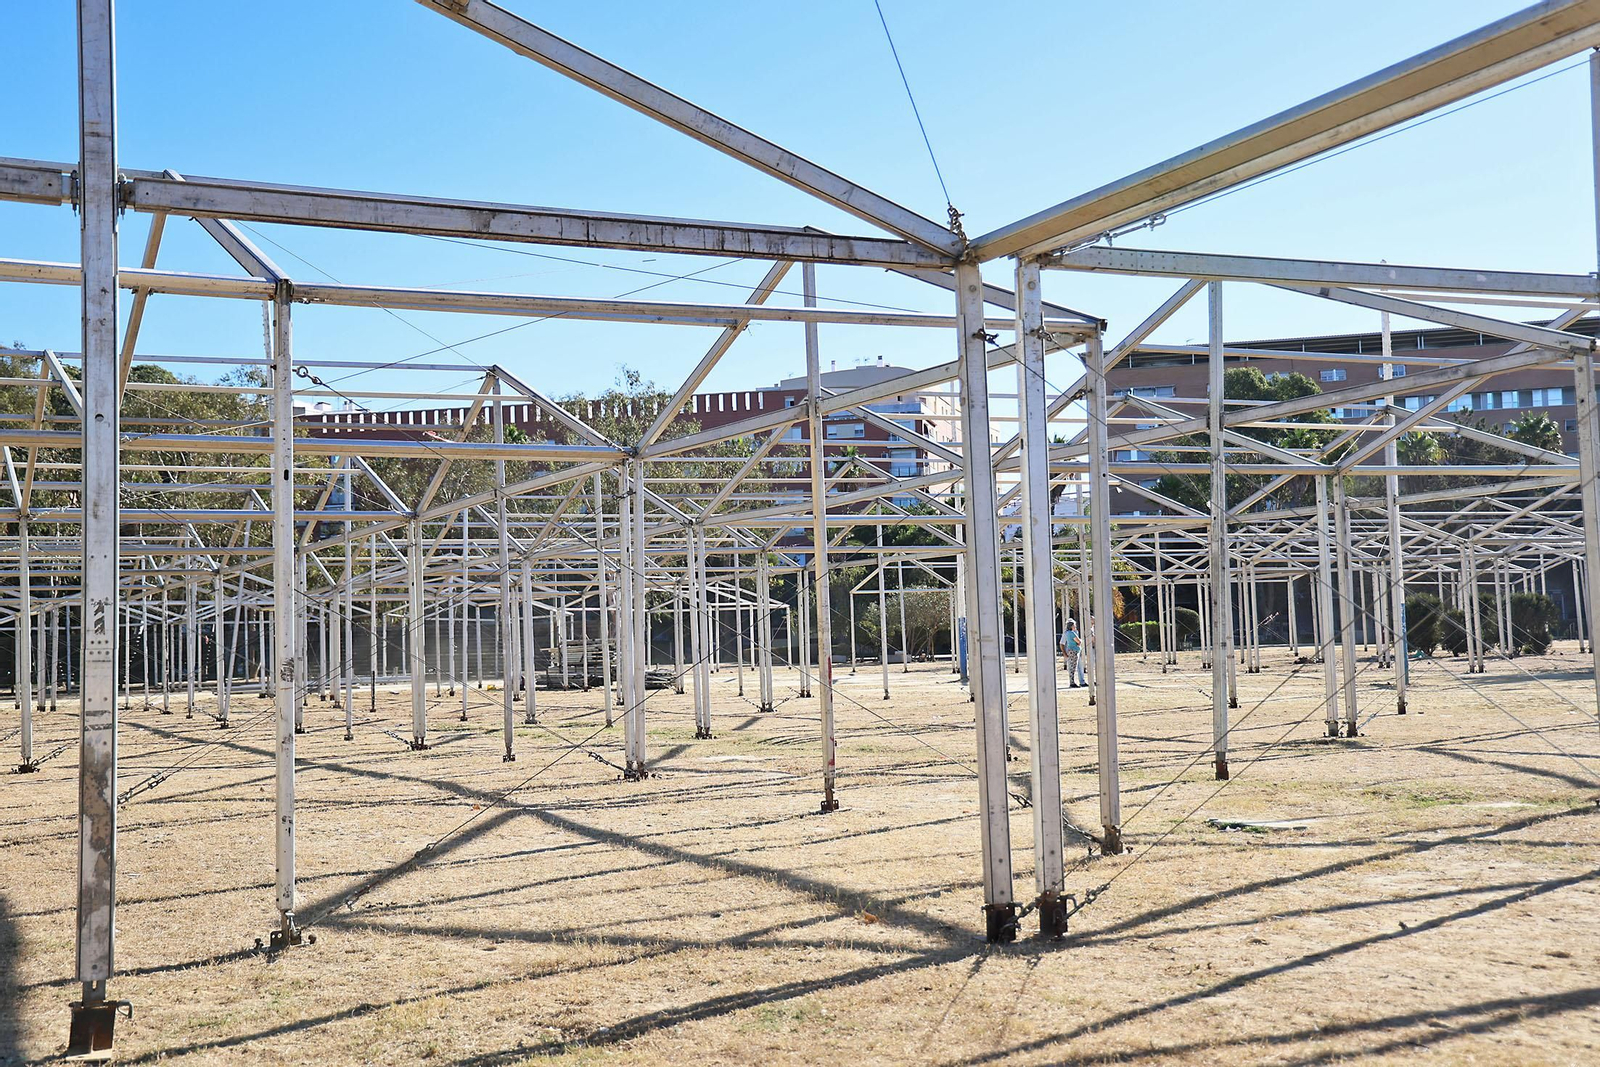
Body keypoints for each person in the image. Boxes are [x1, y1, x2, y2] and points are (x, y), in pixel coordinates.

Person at [1060, 618, 1086, 688]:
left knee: (1075, 666)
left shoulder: (1071, 632)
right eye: (1074, 625)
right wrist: (1080, 641)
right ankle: (1072, 682)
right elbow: (1078, 641)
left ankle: (1081, 681)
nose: (1075, 626)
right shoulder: (1070, 633)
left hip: (1074, 650)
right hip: (1073, 651)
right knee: (1073, 667)